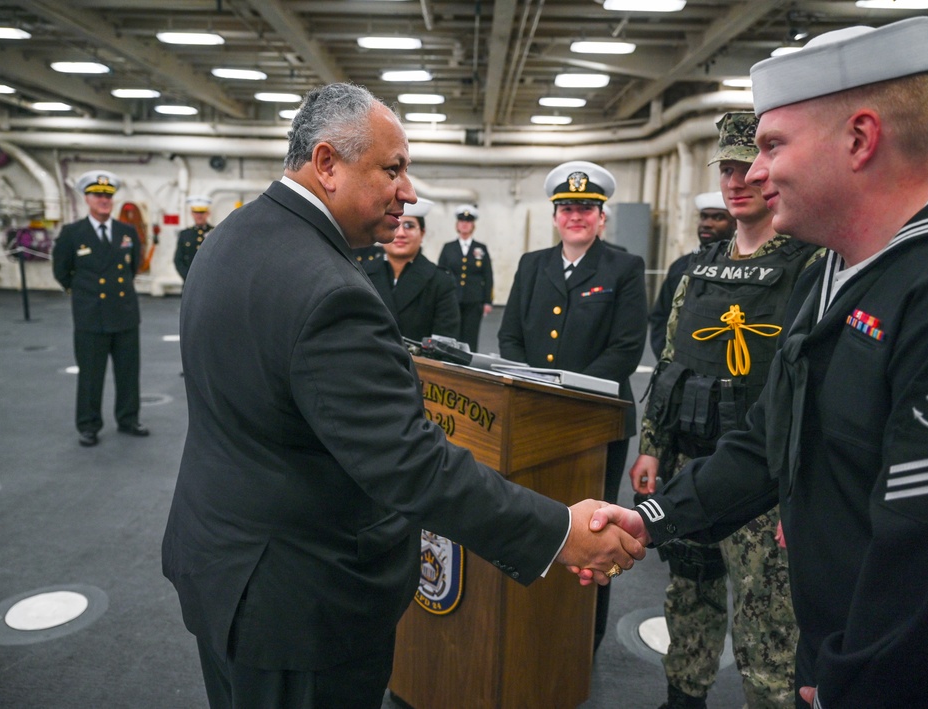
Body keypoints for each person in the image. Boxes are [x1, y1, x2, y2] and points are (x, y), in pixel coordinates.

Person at [160, 83, 644, 709]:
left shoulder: (233, 236)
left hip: (224, 567)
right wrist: (560, 531)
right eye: (392, 169)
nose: (409, 191)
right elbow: (411, 466)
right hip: (300, 609)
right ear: (327, 164)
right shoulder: (331, 290)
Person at [584, 16, 928, 708]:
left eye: (771, 145)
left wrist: (847, 680)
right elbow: (766, 445)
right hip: (833, 645)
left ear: (859, 139)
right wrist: (649, 518)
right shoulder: (833, 272)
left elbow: (927, 557)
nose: (755, 171)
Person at [630, 112, 821, 709]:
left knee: (768, 623)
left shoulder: (810, 267)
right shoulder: (698, 266)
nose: (737, 182)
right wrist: (652, 446)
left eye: (748, 168)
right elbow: (669, 361)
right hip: (689, 457)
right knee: (688, 595)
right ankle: (682, 697)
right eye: (727, 170)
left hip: (760, 480)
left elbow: (812, 388)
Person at [498, 160, 648, 651]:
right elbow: (510, 336)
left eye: (586, 207)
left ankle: (586, 639)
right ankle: (531, 625)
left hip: (595, 425)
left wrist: (563, 398)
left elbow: (626, 350)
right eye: (566, 208)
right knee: (536, 517)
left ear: (601, 215)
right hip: (533, 421)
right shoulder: (531, 265)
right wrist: (536, 393)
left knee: (595, 532)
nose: (575, 215)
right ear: (556, 215)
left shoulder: (623, 268)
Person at [52, 170, 149, 447]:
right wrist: (84, 294)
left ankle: (129, 419)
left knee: (128, 373)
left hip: (124, 314)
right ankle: (88, 425)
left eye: (108, 196)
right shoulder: (72, 234)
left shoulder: (127, 232)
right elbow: (61, 272)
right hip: (91, 316)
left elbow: (131, 268)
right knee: (91, 376)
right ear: (87, 198)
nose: (104, 200)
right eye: (98, 195)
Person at [648, 192, 734, 359]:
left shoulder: (741, 264)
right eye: (703, 217)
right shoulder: (681, 265)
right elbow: (661, 316)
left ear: (735, 223)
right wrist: (666, 356)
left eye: (718, 218)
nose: (707, 224)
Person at [362, 197, 460, 341]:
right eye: (393, 225)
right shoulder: (363, 272)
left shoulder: (440, 281)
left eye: (409, 226)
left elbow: (444, 341)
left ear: (422, 233)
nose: (401, 233)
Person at [437, 204, 493, 350]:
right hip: (452, 298)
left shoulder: (481, 248)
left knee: (470, 336)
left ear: (472, 225)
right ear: (457, 225)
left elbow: (488, 275)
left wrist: (487, 301)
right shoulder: (448, 248)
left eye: (468, 222)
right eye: (462, 221)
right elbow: (441, 273)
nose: (465, 225)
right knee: (451, 333)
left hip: (474, 300)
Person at [174, 196, 214, 281]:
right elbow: (178, 260)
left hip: (209, 281)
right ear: (192, 214)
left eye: (202, 212)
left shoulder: (215, 233)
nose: (199, 216)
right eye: (196, 212)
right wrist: (188, 277)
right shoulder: (185, 234)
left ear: (208, 213)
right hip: (189, 280)